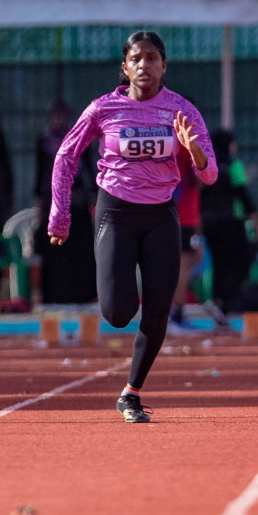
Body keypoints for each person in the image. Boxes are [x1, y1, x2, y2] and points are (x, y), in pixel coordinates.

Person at [47, 31, 216, 424]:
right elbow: (65, 158)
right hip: (115, 213)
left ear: (164, 66)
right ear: (125, 67)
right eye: (137, 58)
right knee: (118, 313)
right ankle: (121, 287)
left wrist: (194, 153)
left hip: (161, 216)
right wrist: (60, 216)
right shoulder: (103, 109)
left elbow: (211, 176)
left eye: (153, 57)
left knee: (158, 311)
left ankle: (132, 393)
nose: (145, 65)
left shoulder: (182, 111)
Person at [35, 100, 98, 305]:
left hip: (77, 203)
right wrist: (40, 205)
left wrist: (95, 198)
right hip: (53, 204)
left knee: (80, 250)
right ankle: (55, 296)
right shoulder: (44, 141)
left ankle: (82, 295)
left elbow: (89, 169)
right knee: (55, 251)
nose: (59, 120)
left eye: (62, 116)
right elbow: (40, 175)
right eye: (56, 116)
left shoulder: (80, 138)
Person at [199, 129, 258, 316]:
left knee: (219, 263)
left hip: (208, 222)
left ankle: (219, 304)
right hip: (231, 220)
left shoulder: (206, 165)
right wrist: (254, 217)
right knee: (242, 261)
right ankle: (223, 298)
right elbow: (242, 194)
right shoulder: (234, 165)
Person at [171, 134, 206, 327]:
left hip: (168, 211)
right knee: (184, 262)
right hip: (184, 215)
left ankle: (173, 308)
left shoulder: (165, 143)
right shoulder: (188, 146)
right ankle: (176, 311)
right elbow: (201, 180)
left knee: (185, 260)